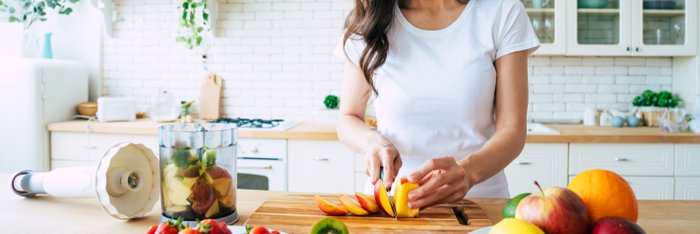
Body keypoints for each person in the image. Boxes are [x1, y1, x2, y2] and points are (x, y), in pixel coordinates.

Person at [335, 0, 540, 209]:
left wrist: (467, 173)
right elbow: (348, 118)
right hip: (390, 204)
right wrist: (372, 142)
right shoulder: (369, 20)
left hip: (479, 204)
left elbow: (512, 130)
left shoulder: (502, 11)